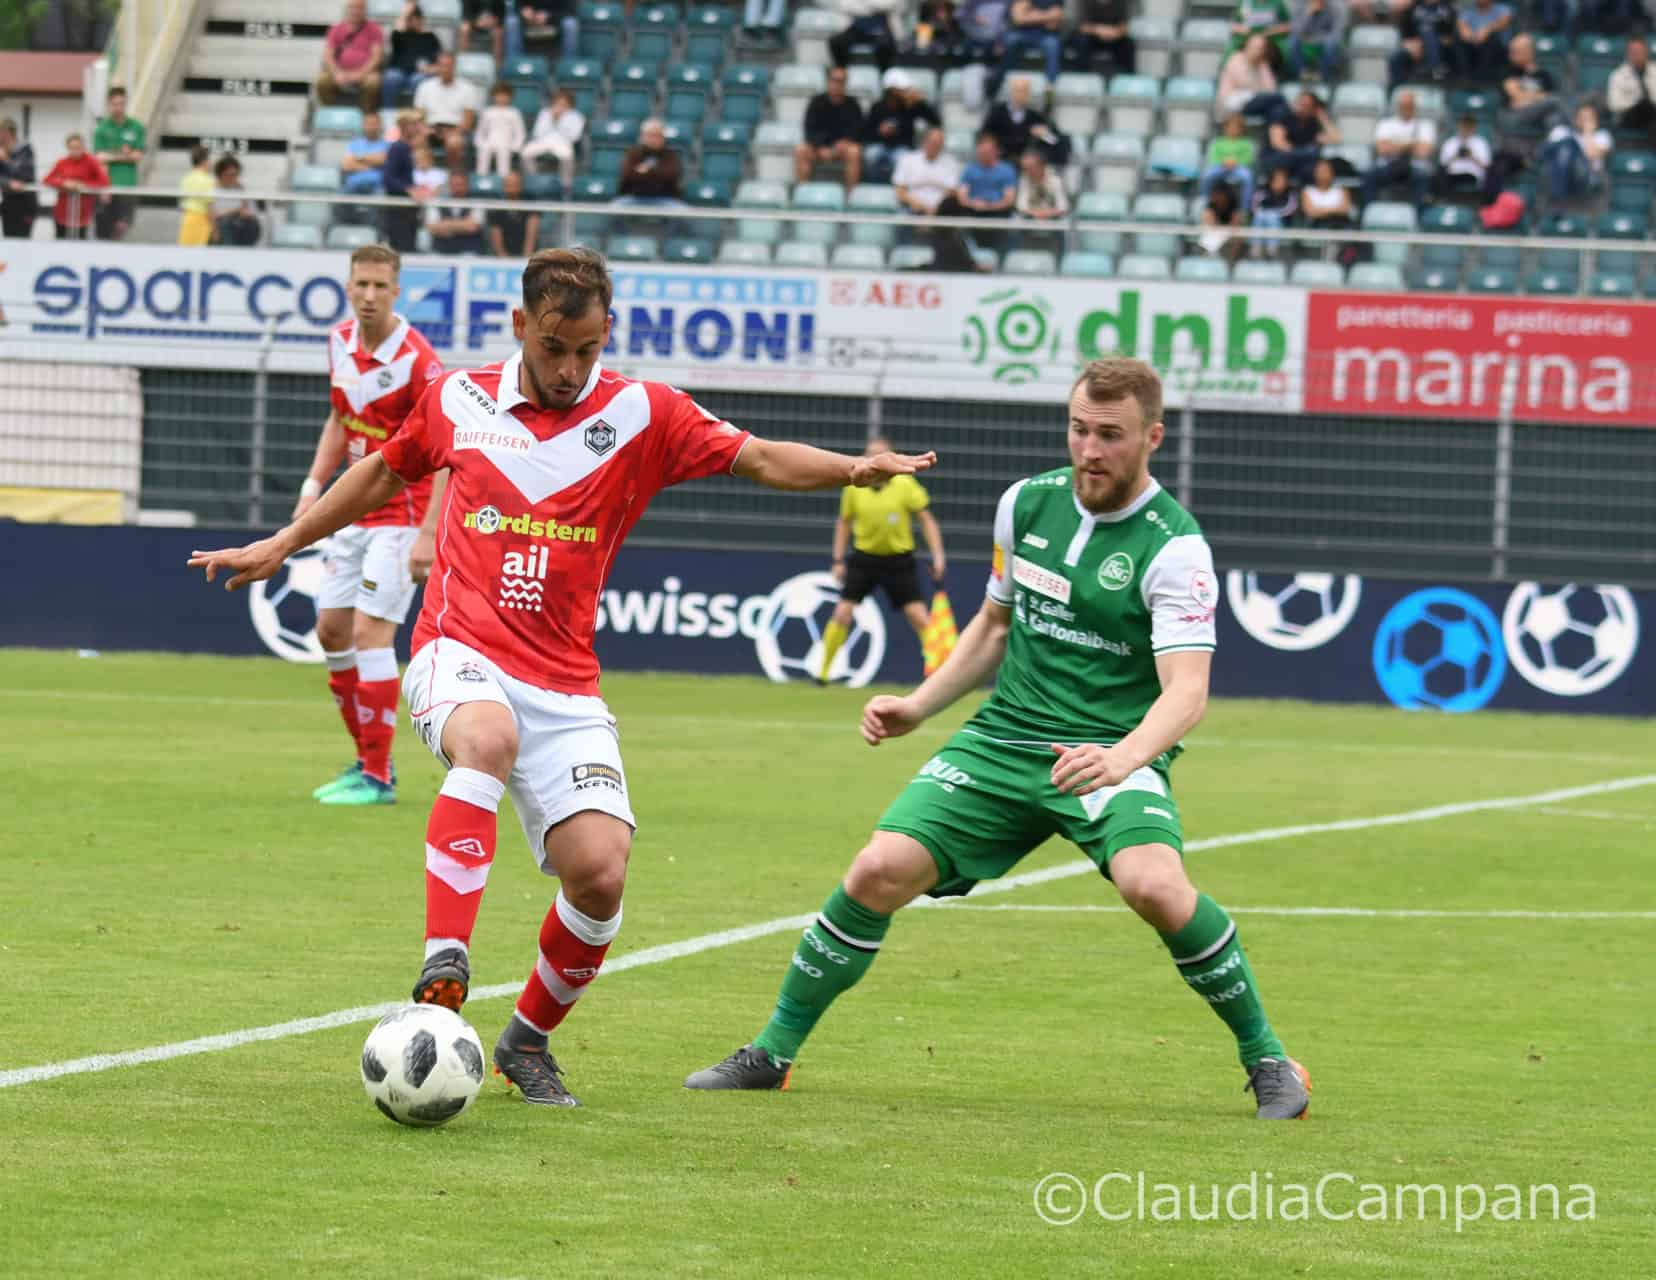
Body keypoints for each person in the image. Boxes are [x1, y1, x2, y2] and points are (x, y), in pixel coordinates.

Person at [189, 246, 938, 1108]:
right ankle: (446, 960)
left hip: (565, 681)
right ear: (521, 327)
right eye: (554, 348)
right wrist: (283, 543)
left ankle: (524, 1043)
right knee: (488, 741)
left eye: (586, 349)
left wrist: (852, 469)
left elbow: (761, 458)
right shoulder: (457, 399)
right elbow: (381, 472)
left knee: (601, 872)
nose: (570, 368)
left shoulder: (644, 413)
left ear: (606, 333)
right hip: (456, 649)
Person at [684, 357, 1310, 1124]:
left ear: (1152, 437)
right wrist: (920, 706)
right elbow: (993, 624)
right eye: (1079, 429)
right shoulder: (1026, 505)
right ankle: (771, 1054)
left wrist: (1121, 758)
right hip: (1004, 738)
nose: (1090, 449)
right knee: (878, 868)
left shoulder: (1175, 548)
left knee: (1156, 888)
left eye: (1110, 435)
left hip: (1109, 751)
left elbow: (1188, 692)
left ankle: (1271, 1060)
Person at [286, 244, 447, 805]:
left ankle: (378, 777)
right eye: (362, 284)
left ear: (396, 291)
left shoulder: (420, 361)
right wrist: (312, 488)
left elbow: (447, 451)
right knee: (331, 631)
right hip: (351, 507)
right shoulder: (338, 342)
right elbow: (339, 418)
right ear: (349, 287)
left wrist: (430, 532)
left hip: (401, 514)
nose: (371, 295)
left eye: (381, 285)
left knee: (370, 635)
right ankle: (365, 761)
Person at [819, 436, 947, 684]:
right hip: (864, 560)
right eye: (870, 454)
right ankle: (822, 672)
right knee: (842, 612)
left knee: (920, 617)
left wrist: (938, 555)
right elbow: (844, 523)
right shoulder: (854, 485)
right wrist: (838, 559)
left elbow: (927, 520)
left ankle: (941, 674)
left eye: (880, 454)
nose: (874, 460)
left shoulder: (905, 484)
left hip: (898, 562)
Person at [937, 132, 1017, 251]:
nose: (984, 154)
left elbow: (1009, 199)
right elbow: (962, 196)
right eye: (981, 151)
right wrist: (974, 204)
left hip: (998, 211)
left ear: (996, 151)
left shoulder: (1006, 170)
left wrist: (989, 206)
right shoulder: (970, 169)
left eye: (987, 151)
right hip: (973, 210)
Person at [1360, 89, 1437, 210]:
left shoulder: (1425, 126)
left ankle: (1418, 216)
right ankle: (1368, 212)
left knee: (1423, 177)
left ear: (1414, 106)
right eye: (1403, 105)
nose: (1406, 108)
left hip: (1414, 167)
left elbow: (1423, 152)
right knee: (1369, 175)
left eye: (1409, 105)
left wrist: (1394, 145)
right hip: (1389, 165)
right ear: (1398, 106)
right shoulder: (1386, 124)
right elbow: (1382, 150)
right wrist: (1411, 145)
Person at [861, 69, 941, 185]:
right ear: (890, 91)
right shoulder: (877, 107)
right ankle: (874, 186)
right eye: (900, 90)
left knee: (903, 158)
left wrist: (921, 102)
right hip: (880, 145)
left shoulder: (911, 106)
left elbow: (935, 121)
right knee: (871, 154)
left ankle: (899, 189)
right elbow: (866, 132)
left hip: (902, 147)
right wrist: (879, 131)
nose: (904, 92)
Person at [796, 66, 865, 192]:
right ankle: (803, 192)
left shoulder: (853, 104)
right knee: (801, 150)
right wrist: (819, 147)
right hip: (818, 148)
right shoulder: (816, 102)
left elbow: (858, 130)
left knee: (855, 152)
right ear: (828, 81)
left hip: (843, 149)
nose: (837, 84)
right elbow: (809, 128)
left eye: (841, 81)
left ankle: (851, 196)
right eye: (834, 80)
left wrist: (845, 142)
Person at [414, 51, 484, 170]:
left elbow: (468, 121)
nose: (445, 69)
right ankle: (424, 177)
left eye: (448, 65)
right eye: (442, 65)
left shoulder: (468, 88)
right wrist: (427, 129)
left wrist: (453, 132)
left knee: (454, 142)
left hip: (456, 129)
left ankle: (453, 174)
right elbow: (418, 116)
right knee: (417, 140)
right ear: (437, 66)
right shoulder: (425, 87)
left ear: (454, 67)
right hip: (431, 129)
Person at [91, 86, 145, 241]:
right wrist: (124, 154)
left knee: (122, 226)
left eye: (121, 103)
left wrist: (112, 155)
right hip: (107, 187)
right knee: (104, 230)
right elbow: (99, 157)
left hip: (128, 186)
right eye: (115, 104)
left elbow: (137, 156)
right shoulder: (102, 129)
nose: (118, 107)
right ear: (109, 104)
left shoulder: (136, 127)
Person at [982, 75, 1066, 167]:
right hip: (1000, 163)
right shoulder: (997, 113)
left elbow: (1055, 141)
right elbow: (984, 136)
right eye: (1018, 90)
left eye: (1025, 91)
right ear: (1010, 92)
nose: (1021, 94)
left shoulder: (1036, 116)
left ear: (1029, 93)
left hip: (1028, 166)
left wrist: (1045, 135)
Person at [317, 0, 387, 112]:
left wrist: (360, 74)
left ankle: (366, 115)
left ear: (365, 10)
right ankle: (330, 113)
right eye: (352, 7)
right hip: (339, 72)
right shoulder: (336, 29)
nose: (355, 11)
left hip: (366, 73)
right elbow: (328, 56)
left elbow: (376, 57)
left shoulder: (374, 29)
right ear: (347, 9)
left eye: (359, 8)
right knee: (321, 81)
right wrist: (337, 73)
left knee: (373, 83)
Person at [990, 0, 1065, 100]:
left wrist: (1030, 15)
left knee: (1053, 45)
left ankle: (1050, 89)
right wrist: (1046, 16)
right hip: (1022, 34)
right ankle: (996, 83)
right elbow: (1018, 19)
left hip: (1045, 35)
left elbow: (1054, 23)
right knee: (1010, 40)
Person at [1262, 88, 1338, 184]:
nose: (1302, 107)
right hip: (1278, 158)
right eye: (1300, 103)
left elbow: (1335, 138)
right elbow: (1278, 143)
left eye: (1307, 105)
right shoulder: (1282, 115)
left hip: (1301, 162)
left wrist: (1322, 117)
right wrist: (1301, 152)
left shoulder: (1313, 123)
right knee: (1289, 160)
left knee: (1315, 169)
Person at [42, 134, 109, 241]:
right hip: (63, 211)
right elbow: (47, 180)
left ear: (83, 147)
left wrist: (83, 185)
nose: (75, 151)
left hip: (83, 211)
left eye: (78, 147)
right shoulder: (62, 162)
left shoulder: (91, 161)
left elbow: (103, 181)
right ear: (67, 148)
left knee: (81, 243)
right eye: (72, 148)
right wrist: (63, 183)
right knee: (60, 240)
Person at [1540, 101, 1611, 202]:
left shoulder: (1602, 135)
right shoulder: (1562, 131)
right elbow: (1545, 152)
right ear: (1576, 119)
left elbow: (1591, 154)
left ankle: (1558, 193)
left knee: (1568, 145)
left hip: (1586, 176)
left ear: (1596, 119)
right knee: (1565, 144)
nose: (1585, 121)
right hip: (1559, 173)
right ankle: (1558, 192)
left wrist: (1588, 133)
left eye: (1589, 118)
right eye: (1582, 117)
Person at [380, 111, 429, 251]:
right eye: (413, 124)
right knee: (401, 247)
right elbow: (388, 178)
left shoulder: (414, 149)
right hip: (399, 209)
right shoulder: (397, 148)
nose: (418, 128)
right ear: (403, 127)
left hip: (411, 210)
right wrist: (409, 189)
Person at [522, 88, 586, 189]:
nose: (560, 106)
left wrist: (559, 120)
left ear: (570, 103)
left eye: (564, 103)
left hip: (563, 143)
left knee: (567, 156)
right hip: (543, 142)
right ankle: (534, 179)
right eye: (558, 102)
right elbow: (537, 133)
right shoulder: (545, 112)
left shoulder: (577, 116)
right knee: (525, 152)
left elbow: (574, 136)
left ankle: (565, 185)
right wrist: (552, 119)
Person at [614, 118, 685, 208]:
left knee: (683, 211)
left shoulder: (671, 155)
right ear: (643, 136)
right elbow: (628, 174)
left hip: (665, 198)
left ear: (663, 137)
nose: (654, 139)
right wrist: (657, 172)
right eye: (650, 135)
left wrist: (646, 170)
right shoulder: (633, 153)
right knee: (614, 209)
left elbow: (672, 174)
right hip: (634, 197)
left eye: (658, 135)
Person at [1216, 34, 1286, 125]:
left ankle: (1276, 136)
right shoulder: (1236, 58)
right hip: (1233, 102)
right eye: (1255, 47)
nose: (1258, 51)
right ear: (1246, 46)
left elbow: (1271, 88)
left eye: (1261, 48)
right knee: (1278, 97)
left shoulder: (1263, 64)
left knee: (1277, 109)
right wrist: (1262, 90)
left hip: (1255, 100)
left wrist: (1262, 68)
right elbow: (1244, 84)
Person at [1497, 34, 1560, 133]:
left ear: (1529, 52)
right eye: (1511, 51)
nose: (1510, 56)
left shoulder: (1544, 75)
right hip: (1515, 116)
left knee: (1553, 118)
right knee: (1556, 101)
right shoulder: (1508, 72)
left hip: (1539, 116)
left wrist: (1528, 98)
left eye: (1516, 52)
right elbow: (1517, 99)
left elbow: (1546, 98)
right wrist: (1539, 97)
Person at [1388, 0, 1458, 89]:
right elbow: (1404, 33)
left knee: (1429, 35)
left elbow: (1451, 36)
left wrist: (1431, 42)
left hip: (1441, 48)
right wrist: (1411, 45)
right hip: (1415, 46)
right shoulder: (1413, 7)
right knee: (1396, 58)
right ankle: (1398, 89)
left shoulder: (1447, 8)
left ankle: (1433, 70)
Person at [384, 2, 442, 107]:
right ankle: (389, 112)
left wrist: (430, 69)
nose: (413, 21)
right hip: (398, 71)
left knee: (419, 80)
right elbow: (396, 28)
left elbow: (440, 61)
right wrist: (406, 12)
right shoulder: (400, 35)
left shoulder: (430, 37)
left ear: (422, 19)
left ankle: (416, 115)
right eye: (410, 18)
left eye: (417, 18)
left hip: (419, 73)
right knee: (391, 77)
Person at [1014, 147, 1067, 252]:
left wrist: (1048, 213)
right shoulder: (1023, 180)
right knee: (1017, 220)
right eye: (1024, 168)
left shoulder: (1055, 180)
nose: (1027, 172)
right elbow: (1021, 206)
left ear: (1041, 166)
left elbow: (1063, 206)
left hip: (1053, 219)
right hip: (1030, 218)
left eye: (1030, 168)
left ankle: (1057, 258)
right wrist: (1035, 213)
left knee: (1062, 223)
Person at [1199, 113, 1258, 209]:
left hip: (1238, 168)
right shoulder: (1218, 142)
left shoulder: (1246, 143)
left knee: (1248, 177)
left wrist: (1236, 162)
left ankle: (1244, 209)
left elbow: (1248, 159)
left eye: (1236, 127)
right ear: (1225, 128)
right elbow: (1213, 158)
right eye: (1230, 127)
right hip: (1220, 167)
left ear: (1241, 129)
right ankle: (1206, 204)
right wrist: (1224, 162)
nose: (1233, 130)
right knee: (1207, 175)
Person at [829, 0, 902, 72]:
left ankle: (884, 75)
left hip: (882, 29)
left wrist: (864, 4)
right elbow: (846, 6)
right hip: (857, 29)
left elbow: (890, 4)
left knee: (886, 46)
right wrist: (874, 8)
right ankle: (841, 73)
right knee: (836, 42)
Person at [427, 170, 488, 253]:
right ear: (449, 185)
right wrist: (462, 225)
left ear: (467, 185)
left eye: (460, 185)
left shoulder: (476, 203)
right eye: (454, 185)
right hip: (441, 251)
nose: (457, 188)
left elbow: (472, 227)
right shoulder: (438, 202)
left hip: (469, 252)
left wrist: (445, 224)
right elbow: (432, 228)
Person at [1067, 0, 1134, 74]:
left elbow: (1123, 26)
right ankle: (1083, 74)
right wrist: (1099, 30)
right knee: (1081, 41)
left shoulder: (1120, 2)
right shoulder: (1084, 2)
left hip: (1113, 37)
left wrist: (1115, 32)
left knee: (1128, 43)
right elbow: (1082, 26)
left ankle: (1125, 76)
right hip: (1091, 36)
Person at [475, 82, 527, 177]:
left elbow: (520, 133)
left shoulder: (514, 113)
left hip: (506, 142)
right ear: (493, 96)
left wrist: (515, 147)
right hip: (490, 141)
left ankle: (503, 178)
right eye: (499, 96)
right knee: (484, 150)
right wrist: (480, 143)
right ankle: (481, 177)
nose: (501, 98)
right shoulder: (487, 112)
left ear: (510, 97)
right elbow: (480, 132)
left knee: (503, 151)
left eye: (505, 96)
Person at [1286, 0, 1345, 82]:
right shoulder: (1300, 5)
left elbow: (1337, 32)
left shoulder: (1335, 6)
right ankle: (1301, 75)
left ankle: (1323, 76)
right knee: (1292, 41)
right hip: (1305, 37)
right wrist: (1308, 14)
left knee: (1331, 43)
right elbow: (1296, 30)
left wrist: (1322, 38)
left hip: (1325, 38)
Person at [0, 117, 39, 239]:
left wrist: (6, 160)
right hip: (8, 201)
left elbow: (26, 175)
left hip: (26, 202)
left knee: (22, 240)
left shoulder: (25, 148)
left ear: (8, 132)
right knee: (9, 239)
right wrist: (8, 183)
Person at [1608, 36, 1656, 134]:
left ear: (1646, 52)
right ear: (1628, 54)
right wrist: (1636, 103)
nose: (1637, 55)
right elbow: (1614, 104)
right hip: (1628, 117)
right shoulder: (1618, 75)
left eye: (1640, 52)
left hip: (1652, 113)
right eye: (1634, 52)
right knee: (1643, 106)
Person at [210, 155, 261, 246]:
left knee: (252, 224)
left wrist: (247, 214)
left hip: (242, 225)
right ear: (220, 174)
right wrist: (235, 211)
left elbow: (253, 212)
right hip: (222, 226)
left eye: (235, 174)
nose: (233, 178)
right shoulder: (212, 190)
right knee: (225, 223)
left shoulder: (242, 190)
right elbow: (214, 215)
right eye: (230, 175)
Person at [488, 168, 541, 256]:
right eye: (508, 184)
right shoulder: (496, 207)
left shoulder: (530, 203)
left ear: (521, 185)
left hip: (527, 254)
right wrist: (503, 258)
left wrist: (526, 257)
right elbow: (495, 234)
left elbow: (532, 231)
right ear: (503, 186)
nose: (511, 186)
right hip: (504, 256)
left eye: (515, 183)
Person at [1435, 114, 1491, 195]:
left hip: (1471, 174)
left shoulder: (1481, 143)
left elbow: (1487, 165)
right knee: (1440, 176)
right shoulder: (1450, 142)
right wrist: (1455, 156)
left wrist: (1471, 156)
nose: (1466, 130)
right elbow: (1442, 163)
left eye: (1468, 127)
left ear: (1473, 128)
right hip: (1452, 173)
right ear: (1459, 127)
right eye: (1464, 127)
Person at [1456, 0, 1512, 81]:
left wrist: (1488, 29)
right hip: (1472, 43)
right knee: (1458, 38)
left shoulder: (1502, 9)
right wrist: (1466, 32)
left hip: (1498, 47)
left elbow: (1504, 22)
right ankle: (1464, 74)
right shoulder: (1469, 10)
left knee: (1491, 38)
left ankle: (1482, 76)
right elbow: (1461, 24)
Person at [1250, 164, 1297, 257]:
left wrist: (1273, 213)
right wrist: (1267, 214)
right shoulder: (1263, 192)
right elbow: (1254, 207)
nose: (1278, 183)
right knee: (1260, 215)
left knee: (1272, 216)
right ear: (1270, 181)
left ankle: (1272, 249)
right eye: (1276, 180)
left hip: (1282, 224)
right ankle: (1256, 247)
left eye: (1281, 180)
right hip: (1263, 223)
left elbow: (1290, 210)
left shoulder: (1290, 194)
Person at [342, 110, 391, 195]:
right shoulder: (354, 144)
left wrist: (359, 158)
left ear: (380, 125)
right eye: (368, 124)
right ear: (363, 125)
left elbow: (382, 160)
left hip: (377, 187)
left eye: (374, 124)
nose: (371, 127)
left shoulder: (387, 145)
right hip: (353, 187)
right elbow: (346, 165)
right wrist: (374, 166)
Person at [177, 145, 216, 245]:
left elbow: (181, 201)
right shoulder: (208, 180)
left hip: (187, 218)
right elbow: (209, 206)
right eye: (209, 160)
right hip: (202, 220)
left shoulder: (186, 178)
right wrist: (215, 228)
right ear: (205, 161)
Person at [1198, 181, 1245, 261]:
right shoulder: (1211, 205)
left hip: (1230, 231)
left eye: (1219, 194)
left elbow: (1235, 224)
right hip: (1216, 230)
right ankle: (1210, 257)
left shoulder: (1234, 204)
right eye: (1215, 194)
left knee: (1236, 237)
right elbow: (1209, 222)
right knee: (1209, 236)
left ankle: (1230, 262)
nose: (1216, 197)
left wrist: (1225, 229)